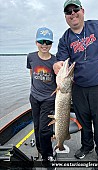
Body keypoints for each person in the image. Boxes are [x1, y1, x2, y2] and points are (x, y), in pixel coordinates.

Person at [53, 0, 98, 161]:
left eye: (75, 9)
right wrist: (57, 65)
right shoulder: (65, 38)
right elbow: (61, 60)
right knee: (83, 121)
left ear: (83, 11)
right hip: (78, 87)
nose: (72, 13)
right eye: (68, 11)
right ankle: (87, 146)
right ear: (65, 16)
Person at [27, 27, 57, 167]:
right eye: (41, 41)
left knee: (45, 129)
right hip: (34, 97)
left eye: (48, 42)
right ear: (36, 42)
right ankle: (40, 148)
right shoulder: (31, 57)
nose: (44, 45)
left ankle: (48, 155)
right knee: (37, 125)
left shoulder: (56, 61)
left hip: (48, 99)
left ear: (51, 43)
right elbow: (32, 74)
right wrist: (34, 90)